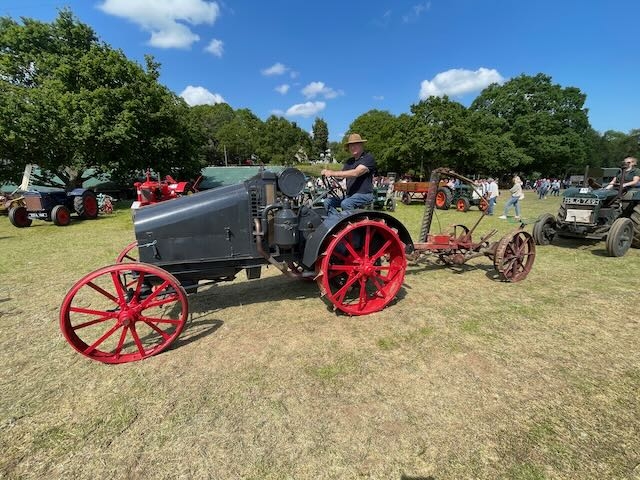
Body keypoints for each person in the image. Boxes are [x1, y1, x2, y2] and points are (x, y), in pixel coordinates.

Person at [321, 133, 375, 214]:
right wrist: (328, 174)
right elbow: (341, 176)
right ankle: (336, 220)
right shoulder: (349, 161)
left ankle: (351, 221)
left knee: (346, 204)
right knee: (327, 202)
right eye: (351, 145)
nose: (353, 147)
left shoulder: (368, 158)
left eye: (355, 144)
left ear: (361, 145)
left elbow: (356, 173)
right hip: (350, 195)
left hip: (364, 195)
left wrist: (332, 173)